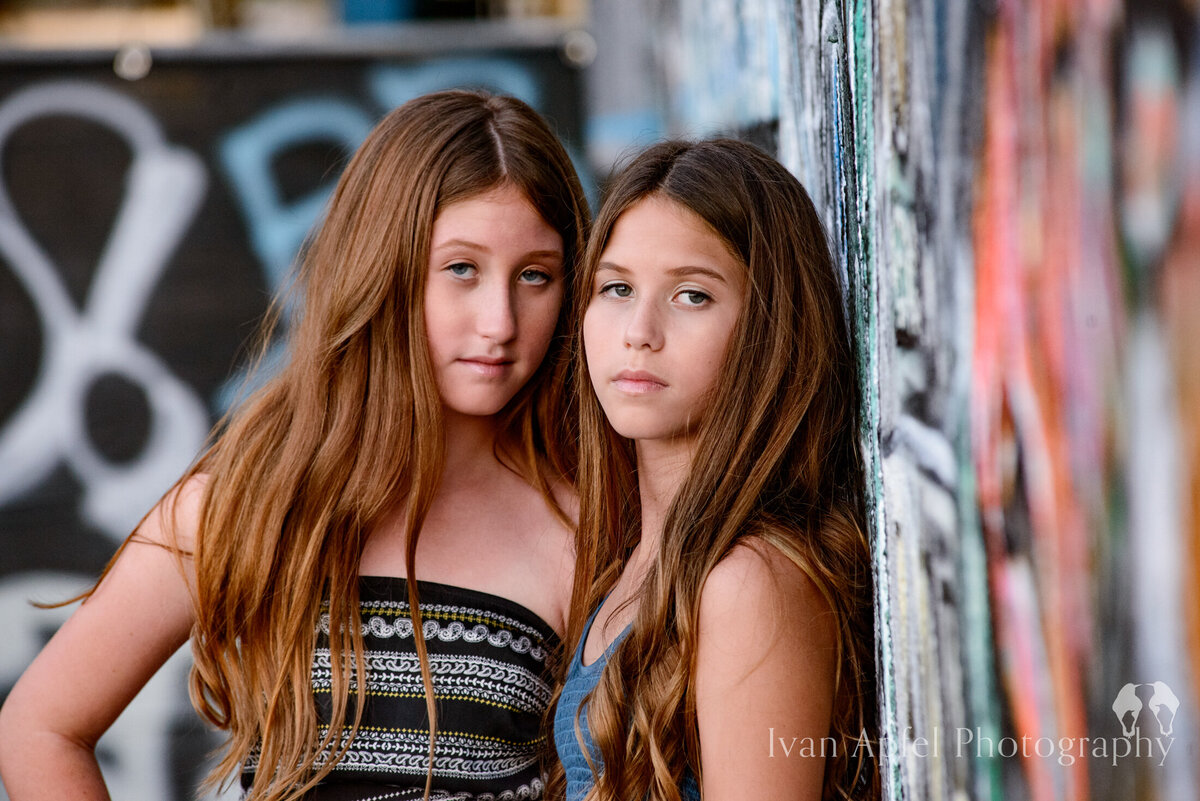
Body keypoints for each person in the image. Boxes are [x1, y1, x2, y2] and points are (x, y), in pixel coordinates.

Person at [0, 90, 590, 801]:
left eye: (535, 275)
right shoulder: (252, 502)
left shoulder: (585, 520)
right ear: (385, 268)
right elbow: (38, 727)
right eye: (461, 269)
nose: (499, 320)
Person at [552, 139, 878, 801]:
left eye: (692, 296)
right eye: (616, 287)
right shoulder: (632, 558)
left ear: (768, 327)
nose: (638, 330)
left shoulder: (749, 580)